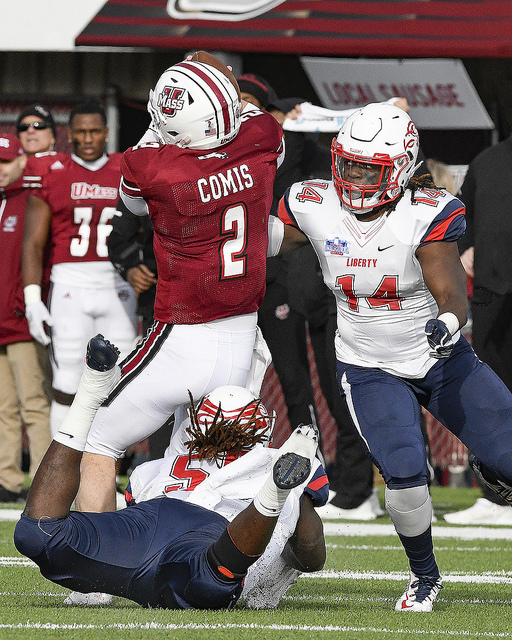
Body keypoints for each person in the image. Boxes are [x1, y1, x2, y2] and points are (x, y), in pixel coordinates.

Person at [272, 102, 512, 611]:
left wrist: (448, 322)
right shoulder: (314, 203)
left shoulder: (425, 212)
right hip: (369, 366)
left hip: (440, 360)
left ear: (402, 168)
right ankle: (425, 577)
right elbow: (264, 240)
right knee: (404, 474)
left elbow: (451, 290)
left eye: (370, 169)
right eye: (349, 165)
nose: (356, 179)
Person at [72, 53, 284, 516]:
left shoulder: (155, 168)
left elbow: (132, 203)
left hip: (183, 336)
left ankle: (95, 562)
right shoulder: (262, 137)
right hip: (242, 342)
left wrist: (162, 124)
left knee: (94, 437)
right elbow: (244, 114)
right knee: (203, 465)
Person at [14, 334, 326, 610]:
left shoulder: (154, 470)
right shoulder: (280, 461)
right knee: (209, 580)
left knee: (37, 534)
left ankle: (88, 394)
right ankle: (272, 495)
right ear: (259, 429)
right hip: (213, 537)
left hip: (150, 517)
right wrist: (287, 560)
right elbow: (311, 550)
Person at [21, 101, 138, 436]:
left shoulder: (125, 168)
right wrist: (32, 300)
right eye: (81, 132)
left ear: (107, 133)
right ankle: (64, 464)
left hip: (117, 284)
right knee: (67, 380)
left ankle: (108, 464)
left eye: (95, 131)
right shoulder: (52, 171)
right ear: (69, 134)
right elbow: (33, 242)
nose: (88, 139)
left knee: (119, 380)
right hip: (69, 284)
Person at [444, 132, 512, 525]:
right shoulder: (486, 161)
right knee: (488, 394)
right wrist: (465, 248)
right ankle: (495, 495)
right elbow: (461, 216)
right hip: (491, 292)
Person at [0, 134, 51, 503]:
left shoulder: (31, 199)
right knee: (3, 406)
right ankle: (7, 479)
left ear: (22, 160)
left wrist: (25, 303)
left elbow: (38, 258)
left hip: (19, 322)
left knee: (34, 402)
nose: (0, 169)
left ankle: (42, 481)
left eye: (5, 161)